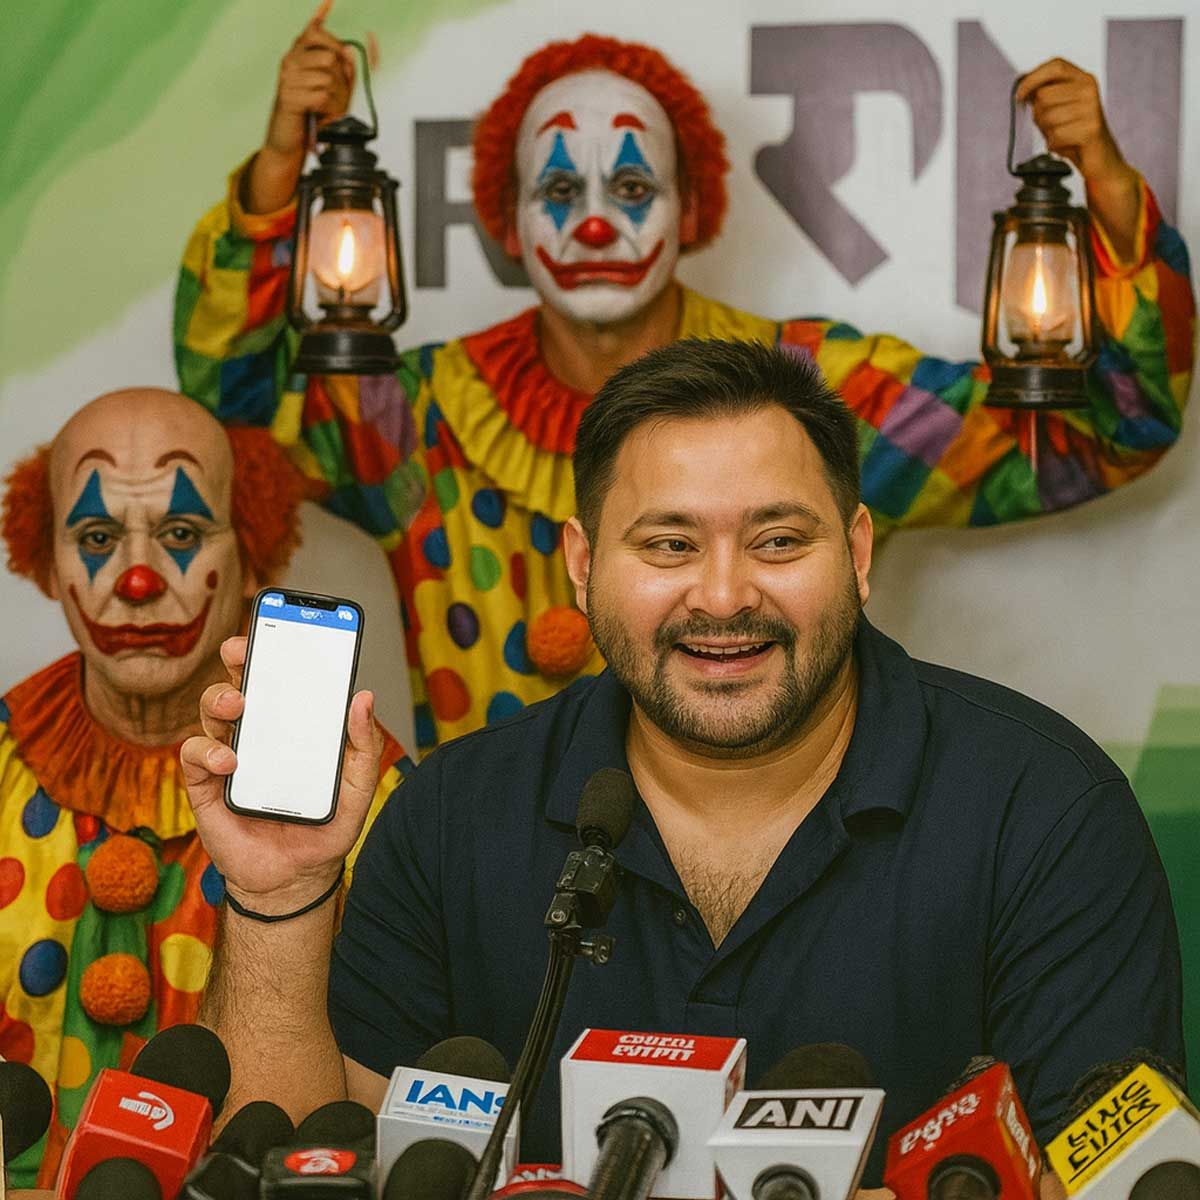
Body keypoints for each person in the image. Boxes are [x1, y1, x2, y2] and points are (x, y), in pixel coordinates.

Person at [181, 339, 1183, 1193]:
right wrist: (281, 896)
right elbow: (318, 1154)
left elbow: (1108, 1177)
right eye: (668, 545)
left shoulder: (1046, 811)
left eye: (778, 540)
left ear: (858, 552)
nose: (723, 595)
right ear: (583, 566)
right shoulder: (450, 814)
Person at [174, 14, 1195, 753]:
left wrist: (1105, 188)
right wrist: (278, 175)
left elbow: (1108, 429)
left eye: (631, 187)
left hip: (770, 880)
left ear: (691, 207)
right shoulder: (416, 416)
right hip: (491, 896)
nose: (593, 224)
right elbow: (233, 418)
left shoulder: (812, 393)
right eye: (559, 189)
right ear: (505, 214)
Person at [0, 389, 409, 1189]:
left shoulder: (366, 799)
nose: (138, 580)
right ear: (47, 560)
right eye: (96, 537)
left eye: (182, 533)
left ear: (254, 553)